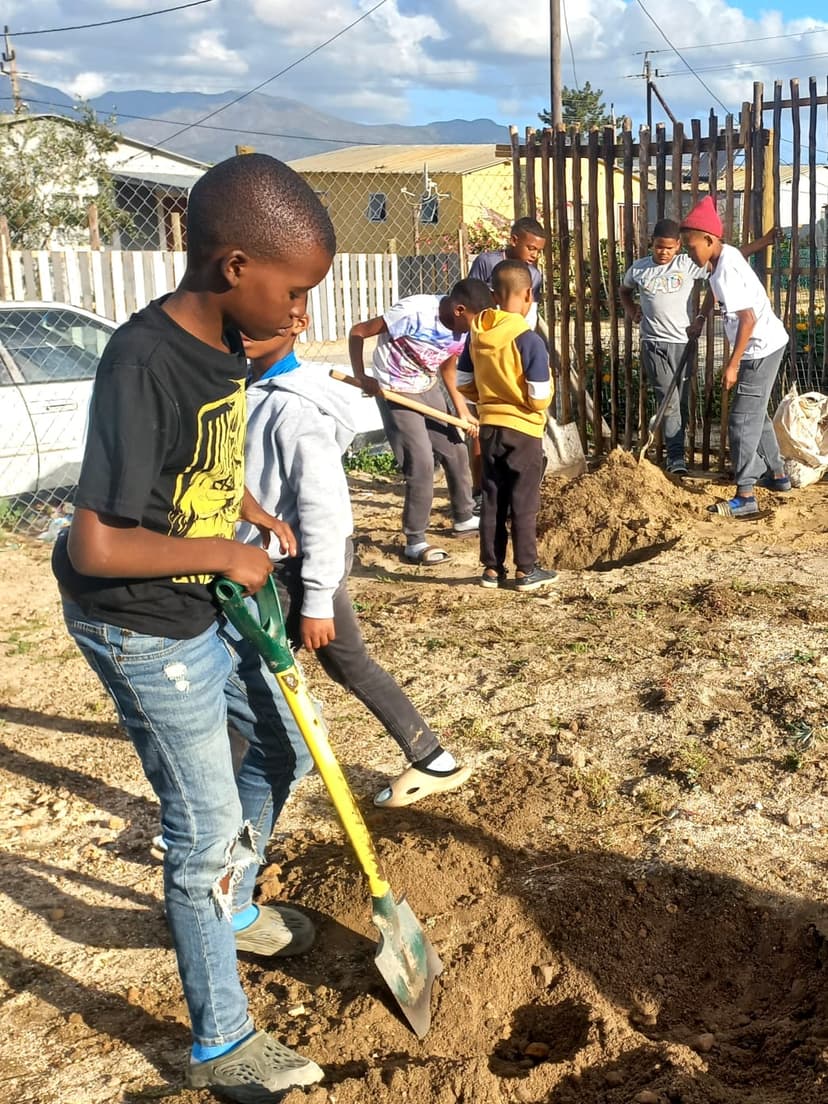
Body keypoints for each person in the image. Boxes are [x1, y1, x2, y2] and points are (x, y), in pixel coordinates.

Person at [51, 153, 336, 1101]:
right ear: (234, 266)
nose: (301, 317)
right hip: (138, 621)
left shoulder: (226, 346)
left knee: (283, 750)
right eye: (294, 294)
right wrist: (221, 554)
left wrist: (244, 507)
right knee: (204, 828)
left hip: (198, 597)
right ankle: (221, 1043)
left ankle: (235, 907)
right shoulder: (141, 361)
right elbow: (94, 544)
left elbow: (194, 462)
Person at [238, 309, 473, 808]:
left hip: (296, 566)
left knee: (255, 673)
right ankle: (433, 759)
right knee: (324, 666)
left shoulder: (297, 411)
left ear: (298, 322)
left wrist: (319, 598)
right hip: (271, 563)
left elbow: (325, 510)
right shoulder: (241, 389)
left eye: (262, 320)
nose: (246, 329)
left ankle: (223, 813)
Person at [621, 217, 780, 476]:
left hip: (683, 344)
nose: (664, 252)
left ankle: (678, 454)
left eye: (670, 248)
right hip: (653, 344)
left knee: (680, 401)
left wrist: (763, 243)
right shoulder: (639, 269)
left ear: (678, 247)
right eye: (659, 247)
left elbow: (729, 258)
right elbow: (623, 291)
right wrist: (631, 309)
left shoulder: (688, 264)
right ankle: (675, 457)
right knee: (668, 399)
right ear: (651, 244)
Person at [348, 294, 479, 565]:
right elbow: (358, 332)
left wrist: (461, 410)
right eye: (474, 320)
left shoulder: (461, 329)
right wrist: (362, 376)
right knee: (420, 464)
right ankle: (415, 540)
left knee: (455, 450)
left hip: (426, 387)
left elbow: (447, 367)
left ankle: (464, 518)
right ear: (459, 309)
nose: (476, 327)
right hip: (394, 391)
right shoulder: (414, 312)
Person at [680, 195, 790, 518]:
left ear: (709, 240)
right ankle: (779, 475)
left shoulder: (726, 267)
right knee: (756, 414)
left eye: (690, 246)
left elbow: (748, 319)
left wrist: (732, 364)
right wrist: (701, 317)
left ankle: (745, 494)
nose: (689, 252)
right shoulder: (718, 262)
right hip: (766, 345)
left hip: (759, 348)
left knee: (742, 421)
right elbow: (715, 290)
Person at [465, 260, 556, 590]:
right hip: (523, 431)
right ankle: (526, 570)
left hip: (489, 428)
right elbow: (539, 394)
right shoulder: (527, 339)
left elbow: (464, 380)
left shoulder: (477, 334)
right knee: (523, 500)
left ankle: (491, 569)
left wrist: (486, 399)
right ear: (529, 294)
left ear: (492, 295)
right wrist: (529, 406)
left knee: (492, 497)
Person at [434, 278, 496, 511]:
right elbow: (453, 370)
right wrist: (464, 409)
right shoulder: (462, 330)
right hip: (473, 378)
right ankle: (477, 492)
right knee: (473, 437)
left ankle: (484, 494)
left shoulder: (471, 328)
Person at [468, 216, 546, 329]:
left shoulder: (534, 275)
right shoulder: (486, 262)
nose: (535, 255)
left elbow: (530, 316)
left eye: (538, 250)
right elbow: (470, 298)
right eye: (531, 248)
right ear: (514, 240)